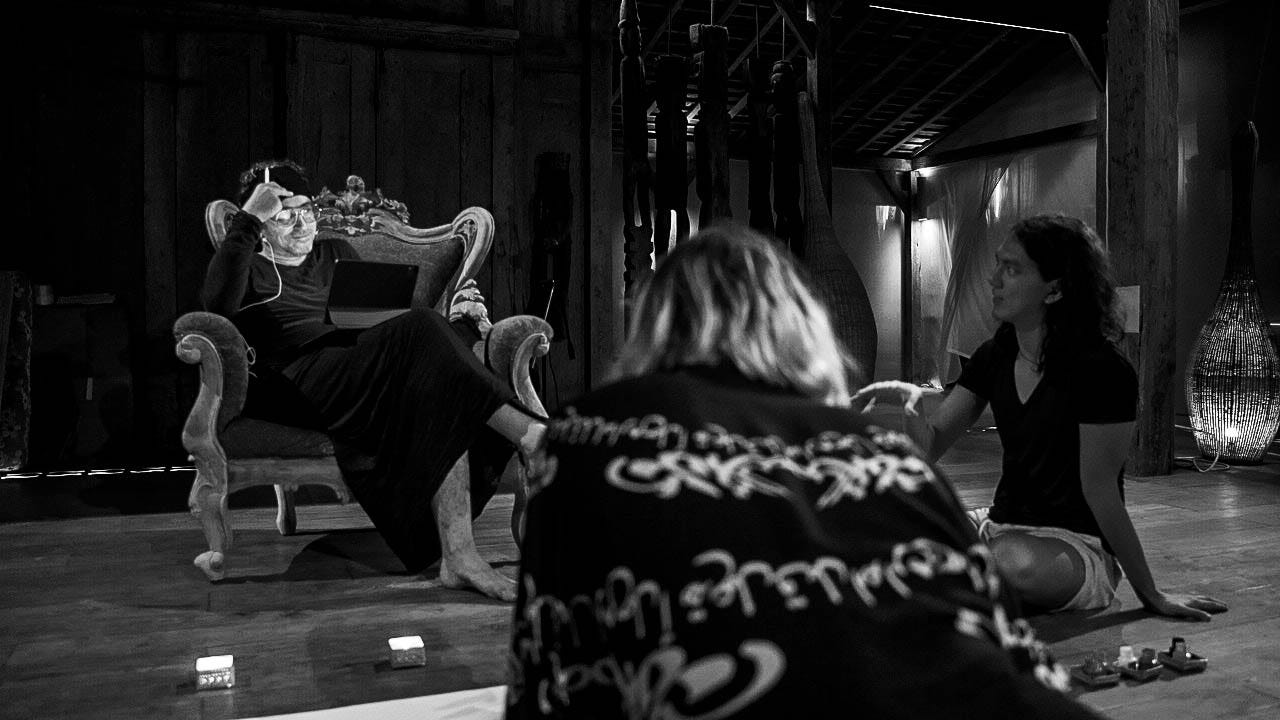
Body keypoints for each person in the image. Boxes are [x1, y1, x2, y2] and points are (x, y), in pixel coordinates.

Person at [505, 224, 1104, 719]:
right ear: (800, 327)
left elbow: (551, 677)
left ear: (655, 325)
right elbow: (1012, 652)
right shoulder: (880, 453)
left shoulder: (584, 436)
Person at [854, 214, 1228, 620]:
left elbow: (1101, 493)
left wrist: (1151, 594)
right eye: (998, 264)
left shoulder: (1102, 371)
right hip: (996, 527)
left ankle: (950, 580)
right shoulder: (993, 356)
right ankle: (958, 579)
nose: (993, 279)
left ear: (1055, 289)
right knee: (878, 525)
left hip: (1073, 546)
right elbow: (927, 448)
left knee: (1008, 562)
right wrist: (912, 406)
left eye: (1011, 268)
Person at [202, 159, 543, 601]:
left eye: (307, 210)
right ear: (263, 223)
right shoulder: (248, 263)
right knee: (421, 329)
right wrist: (247, 219)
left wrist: (458, 323)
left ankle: (460, 558)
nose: (302, 223)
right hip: (295, 378)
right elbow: (215, 304)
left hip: (358, 364)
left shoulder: (335, 252)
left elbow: (379, 322)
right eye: (284, 215)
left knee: (436, 383)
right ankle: (531, 434)